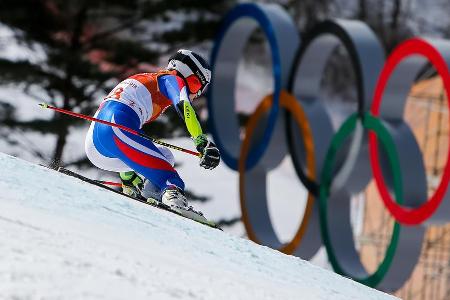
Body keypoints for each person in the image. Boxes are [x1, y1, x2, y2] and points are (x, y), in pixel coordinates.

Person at [84, 49, 220, 215]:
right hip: (114, 128)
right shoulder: (173, 79)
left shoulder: (146, 78)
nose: (196, 93)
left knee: (166, 156)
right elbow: (184, 106)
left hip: (95, 146)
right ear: (186, 73)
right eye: (196, 85)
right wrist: (201, 141)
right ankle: (173, 197)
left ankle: (133, 184)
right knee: (170, 178)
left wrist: (127, 175)